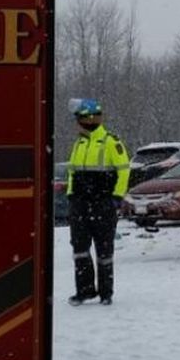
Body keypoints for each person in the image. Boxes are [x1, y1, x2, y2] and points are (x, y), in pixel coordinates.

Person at [66, 98, 130, 306]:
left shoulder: (111, 142)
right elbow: (72, 172)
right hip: (80, 204)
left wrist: (116, 198)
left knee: (104, 251)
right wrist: (71, 196)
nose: (78, 122)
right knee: (80, 249)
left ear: (89, 118)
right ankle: (84, 291)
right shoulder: (79, 142)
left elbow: (123, 171)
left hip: (103, 204)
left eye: (80, 118)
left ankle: (105, 293)